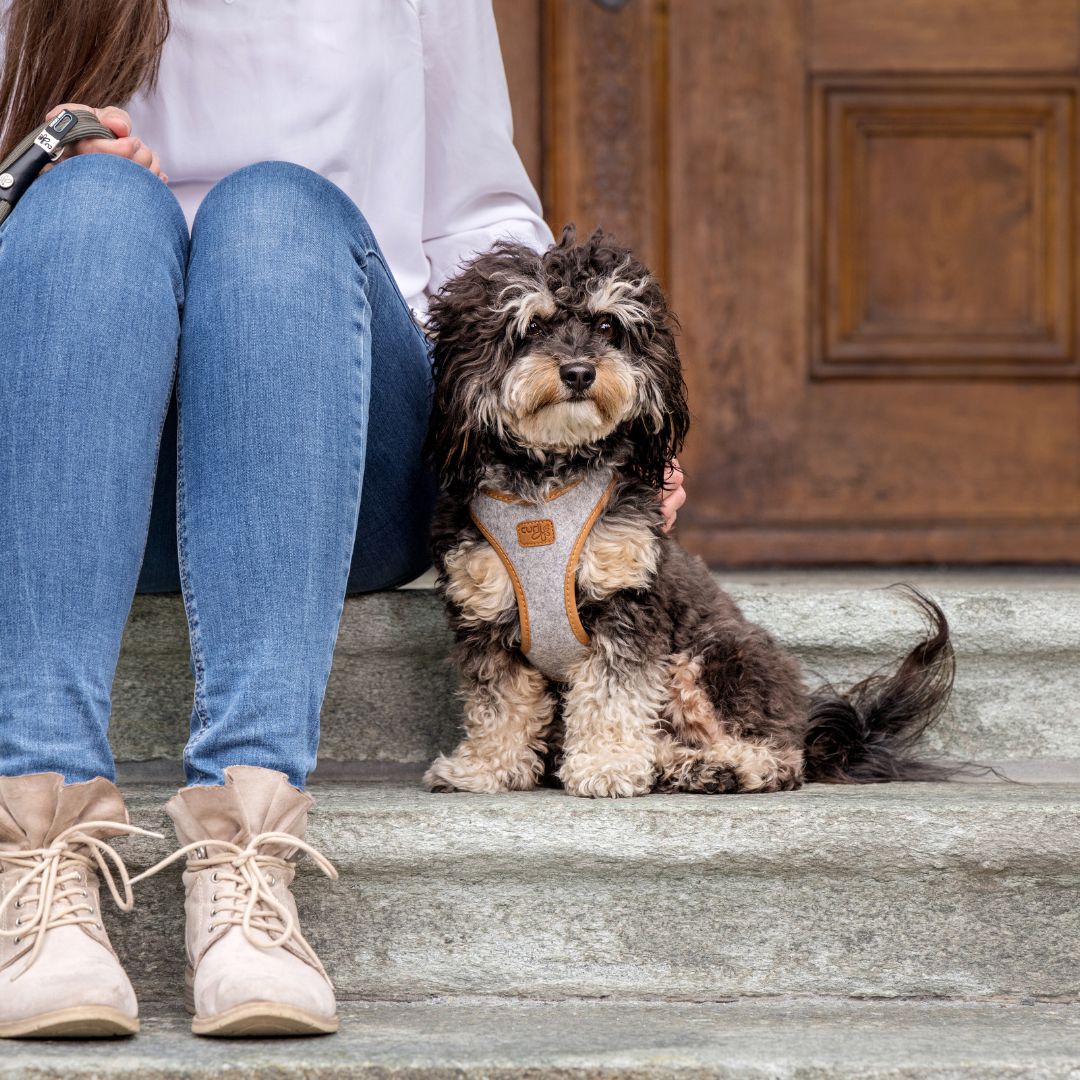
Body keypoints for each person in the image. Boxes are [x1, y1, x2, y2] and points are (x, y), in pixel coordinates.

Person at [0, 0, 688, 1040]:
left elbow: (479, 219)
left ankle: (248, 852)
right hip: (82, 469)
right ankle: (35, 849)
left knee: (275, 209)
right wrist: (40, 174)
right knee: (89, 201)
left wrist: (597, 436)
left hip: (348, 459)